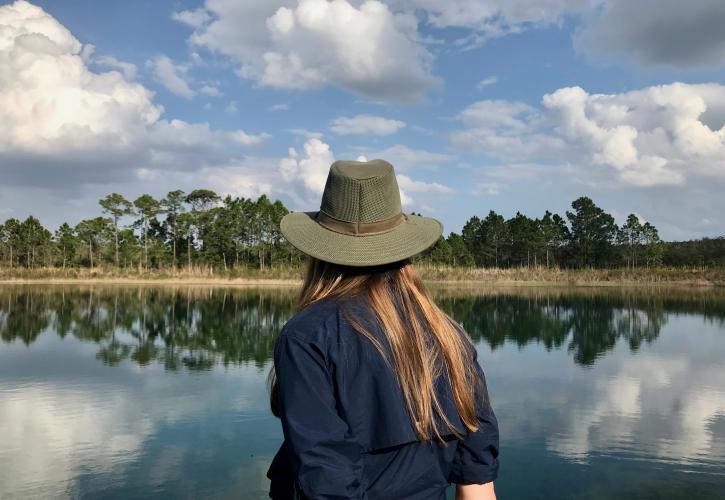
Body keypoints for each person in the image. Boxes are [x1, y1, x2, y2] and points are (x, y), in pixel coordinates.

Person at [266, 159, 499, 500]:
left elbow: (328, 483)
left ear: (320, 250)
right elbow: (477, 486)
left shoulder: (306, 337)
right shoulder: (449, 337)